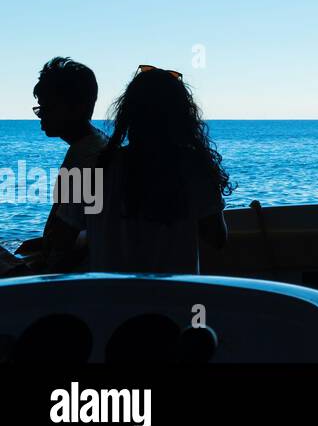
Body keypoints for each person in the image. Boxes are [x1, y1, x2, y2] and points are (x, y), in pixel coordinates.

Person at [52, 65, 230, 273]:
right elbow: (217, 238)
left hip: (110, 302)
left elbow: (61, 241)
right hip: (178, 301)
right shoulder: (193, 169)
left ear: (127, 114)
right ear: (183, 118)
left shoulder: (94, 168)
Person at [12, 58, 109, 273]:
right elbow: (90, 228)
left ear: (76, 107)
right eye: (40, 109)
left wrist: (28, 273)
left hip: (67, 284)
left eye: (47, 108)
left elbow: (66, 243)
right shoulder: (95, 145)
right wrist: (45, 243)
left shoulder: (85, 157)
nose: (41, 116)